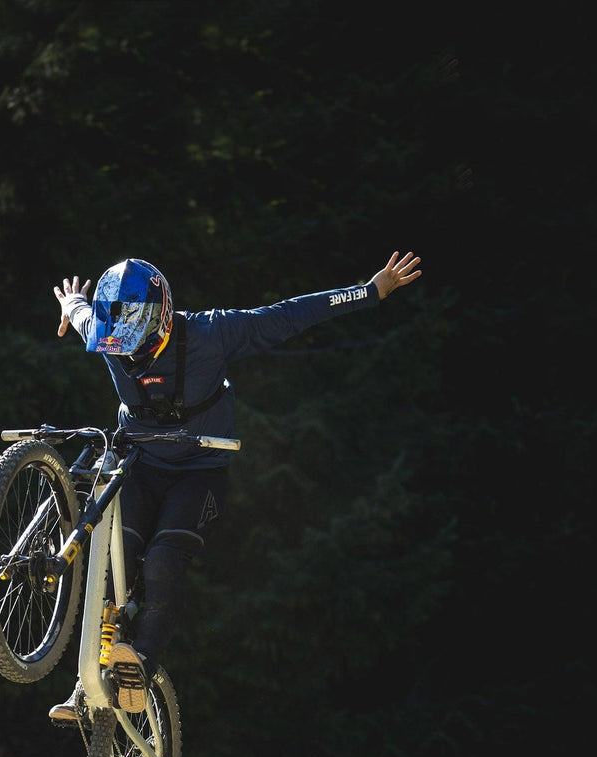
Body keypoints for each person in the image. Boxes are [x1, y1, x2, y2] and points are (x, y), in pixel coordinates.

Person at [45, 250, 424, 721]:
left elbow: (288, 315)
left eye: (134, 343)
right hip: (140, 462)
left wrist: (369, 292)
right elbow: (81, 313)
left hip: (199, 468)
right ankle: (89, 682)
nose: (124, 353)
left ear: (161, 322)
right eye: (114, 344)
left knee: (163, 558)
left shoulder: (211, 333)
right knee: (112, 556)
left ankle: (141, 662)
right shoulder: (105, 333)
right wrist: (72, 305)